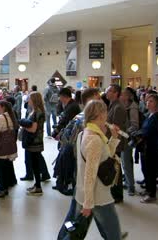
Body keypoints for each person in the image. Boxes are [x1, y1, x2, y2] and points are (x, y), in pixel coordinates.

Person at [57, 88, 102, 240]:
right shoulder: (84, 121)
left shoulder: (85, 119)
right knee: (79, 210)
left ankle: (112, 233)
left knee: (95, 209)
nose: (100, 101)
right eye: (97, 98)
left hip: (88, 172)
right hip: (84, 171)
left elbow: (64, 138)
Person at [74, 99, 123, 240]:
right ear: (101, 115)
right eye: (106, 112)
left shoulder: (84, 134)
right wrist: (88, 203)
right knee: (114, 235)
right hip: (98, 196)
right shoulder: (94, 139)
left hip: (87, 194)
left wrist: (113, 138)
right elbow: (90, 174)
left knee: (78, 232)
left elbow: (105, 156)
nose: (107, 115)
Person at [0, 100, 18, 199]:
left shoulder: (1, 117)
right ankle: (5, 188)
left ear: (3, 107)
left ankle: (2, 189)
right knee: (5, 168)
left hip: (0, 147)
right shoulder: (11, 116)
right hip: (9, 147)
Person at [139, 94, 158, 203]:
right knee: (146, 169)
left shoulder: (157, 116)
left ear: (157, 103)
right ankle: (148, 189)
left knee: (151, 171)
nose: (148, 103)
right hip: (145, 146)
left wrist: (140, 134)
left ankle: (152, 194)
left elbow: (149, 131)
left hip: (152, 147)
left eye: (151, 101)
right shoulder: (149, 115)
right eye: (148, 101)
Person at [105, 84, 127, 203]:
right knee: (113, 166)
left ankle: (117, 195)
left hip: (116, 142)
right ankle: (114, 192)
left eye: (109, 91)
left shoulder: (118, 107)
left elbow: (116, 128)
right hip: (112, 140)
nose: (107, 93)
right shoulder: (112, 105)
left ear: (115, 93)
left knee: (116, 167)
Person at [22, 92, 47, 196]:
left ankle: (38, 187)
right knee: (34, 164)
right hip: (33, 142)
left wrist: (23, 125)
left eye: (30, 99)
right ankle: (36, 184)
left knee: (36, 165)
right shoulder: (34, 111)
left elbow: (33, 129)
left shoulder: (37, 112)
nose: (28, 101)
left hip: (34, 142)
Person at [120, 87, 140, 196]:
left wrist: (122, 132)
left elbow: (134, 125)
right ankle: (128, 181)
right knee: (125, 161)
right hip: (123, 138)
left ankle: (130, 186)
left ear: (127, 96)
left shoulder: (133, 108)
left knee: (127, 161)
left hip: (127, 139)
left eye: (122, 95)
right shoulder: (125, 106)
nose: (120, 97)